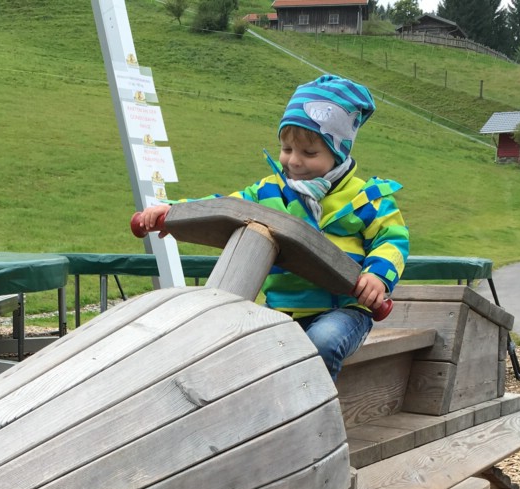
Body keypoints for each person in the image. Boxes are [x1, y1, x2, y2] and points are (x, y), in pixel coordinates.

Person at [136, 74, 408, 380]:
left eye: (309, 153)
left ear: (338, 152)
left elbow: (392, 239)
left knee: (323, 341)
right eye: (287, 149)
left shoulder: (367, 198)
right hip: (282, 308)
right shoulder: (269, 191)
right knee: (237, 346)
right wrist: (174, 212)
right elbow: (225, 206)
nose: (294, 161)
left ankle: (315, 405)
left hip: (342, 309)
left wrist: (377, 277)